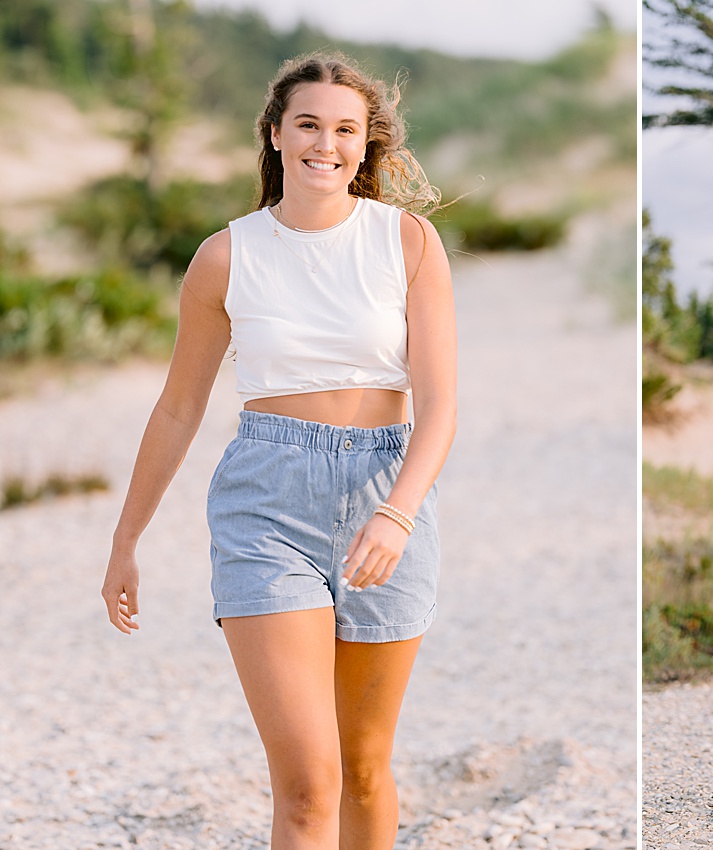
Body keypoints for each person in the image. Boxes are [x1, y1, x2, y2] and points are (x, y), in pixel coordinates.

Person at [100, 52, 456, 849]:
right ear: (274, 134)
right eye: (307, 125)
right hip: (266, 503)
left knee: (364, 767)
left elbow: (439, 405)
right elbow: (177, 409)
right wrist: (126, 539)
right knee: (307, 783)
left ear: (366, 148)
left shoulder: (409, 243)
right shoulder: (225, 257)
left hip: (386, 490)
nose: (324, 144)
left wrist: (396, 514)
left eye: (344, 130)